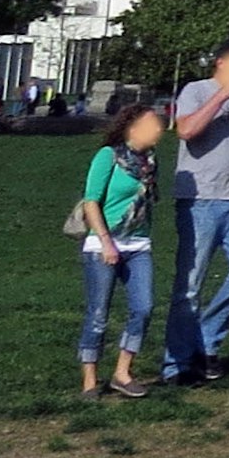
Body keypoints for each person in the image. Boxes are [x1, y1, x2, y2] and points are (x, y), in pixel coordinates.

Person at [162, 42, 229, 383]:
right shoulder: (196, 90)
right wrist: (222, 96)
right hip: (200, 202)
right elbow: (186, 131)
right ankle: (176, 365)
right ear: (221, 63)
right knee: (190, 285)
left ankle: (207, 341)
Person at [75, 96, 168, 398]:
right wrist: (106, 242)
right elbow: (91, 201)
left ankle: (122, 373)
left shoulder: (150, 161)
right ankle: (89, 381)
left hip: (138, 243)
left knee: (143, 307)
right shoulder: (108, 156)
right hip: (103, 243)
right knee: (98, 313)